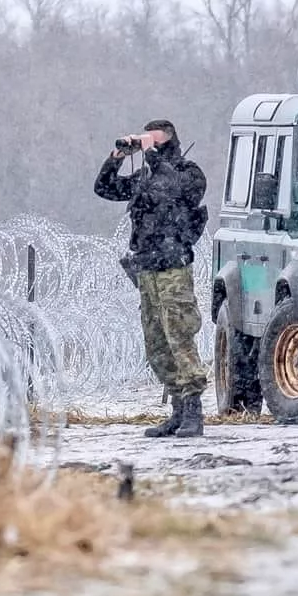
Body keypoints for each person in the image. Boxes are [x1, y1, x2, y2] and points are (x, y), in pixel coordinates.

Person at [94, 119, 210, 438]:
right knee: (156, 341)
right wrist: (117, 157)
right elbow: (105, 188)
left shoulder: (189, 173)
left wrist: (153, 155)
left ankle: (193, 411)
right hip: (147, 265)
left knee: (179, 334)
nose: (148, 145)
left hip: (173, 265)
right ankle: (177, 408)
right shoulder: (145, 177)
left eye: (154, 139)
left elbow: (171, 188)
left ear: (169, 140)